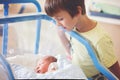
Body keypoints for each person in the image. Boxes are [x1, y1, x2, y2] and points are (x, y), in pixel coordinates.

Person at [44, 0, 120, 79]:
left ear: (77, 11)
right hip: (75, 71)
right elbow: (72, 51)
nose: (57, 24)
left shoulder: (100, 40)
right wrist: (61, 35)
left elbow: (113, 68)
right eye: (55, 20)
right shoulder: (74, 27)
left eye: (60, 19)